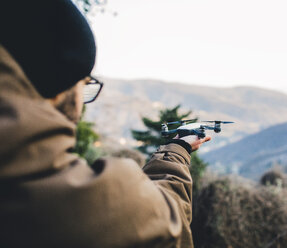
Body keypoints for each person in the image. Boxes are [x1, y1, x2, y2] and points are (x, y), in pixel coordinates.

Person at [0, 0, 210, 247]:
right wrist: (179, 149)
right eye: (85, 85)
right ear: (59, 86)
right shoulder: (37, 188)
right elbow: (165, 224)